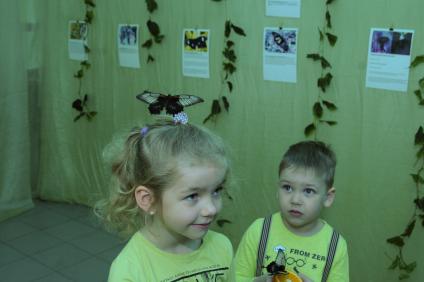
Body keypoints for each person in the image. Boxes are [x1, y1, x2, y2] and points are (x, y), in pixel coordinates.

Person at [96, 116, 234, 281]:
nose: (211, 209)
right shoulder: (130, 271)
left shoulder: (222, 246)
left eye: (216, 191)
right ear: (148, 200)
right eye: (192, 196)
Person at [234, 141, 349, 282]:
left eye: (308, 191)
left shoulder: (336, 245)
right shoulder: (259, 230)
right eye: (287, 187)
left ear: (328, 197)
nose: (295, 200)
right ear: (277, 189)